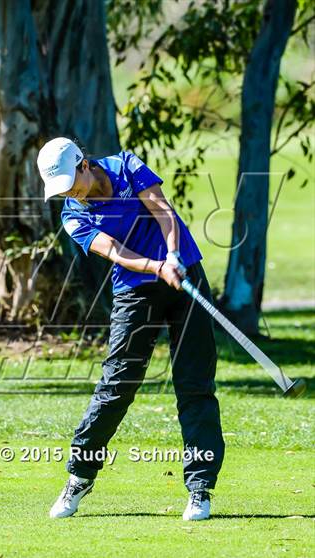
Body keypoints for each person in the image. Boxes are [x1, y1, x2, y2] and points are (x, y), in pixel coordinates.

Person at [37, 137, 225, 521]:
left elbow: (163, 211)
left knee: (195, 383)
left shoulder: (125, 165)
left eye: (71, 182)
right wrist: (157, 267)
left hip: (185, 272)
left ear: (84, 165)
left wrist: (172, 256)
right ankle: (80, 475)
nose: (69, 193)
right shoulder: (73, 215)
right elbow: (114, 251)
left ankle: (200, 488)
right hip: (135, 291)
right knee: (116, 386)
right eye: (61, 189)